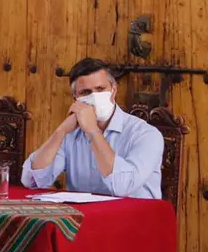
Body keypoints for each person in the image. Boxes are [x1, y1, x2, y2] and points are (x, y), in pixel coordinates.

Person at [20, 57, 164, 199]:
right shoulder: (71, 134)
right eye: (85, 92)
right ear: (75, 98)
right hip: (84, 214)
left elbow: (122, 186)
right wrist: (60, 131)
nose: (94, 97)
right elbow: (32, 180)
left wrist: (92, 131)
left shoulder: (146, 134)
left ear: (113, 90)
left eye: (100, 89)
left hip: (134, 213)